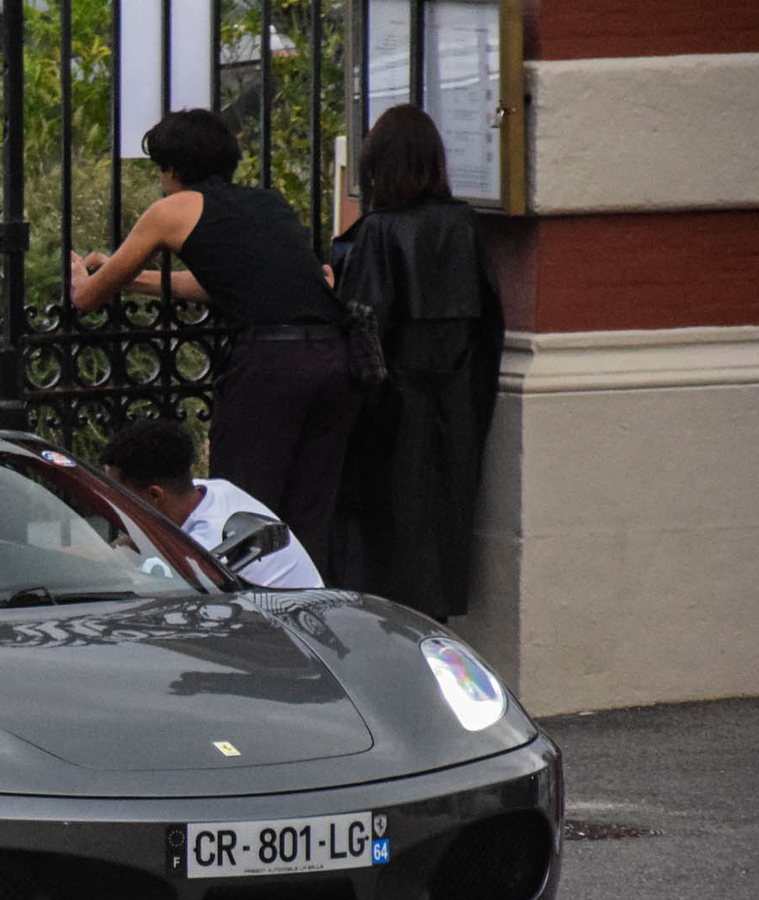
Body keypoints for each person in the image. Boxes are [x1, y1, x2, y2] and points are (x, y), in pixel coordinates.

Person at [70, 108, 357, 570]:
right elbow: (218, 285)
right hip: (332, 358)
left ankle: (235, 618)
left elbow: (86, 300)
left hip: (270, 365)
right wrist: (132, 278)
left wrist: (84, 278)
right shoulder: (268, 202)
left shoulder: (171, 209)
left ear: (172, 168)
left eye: (161, 170)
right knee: (309, 512)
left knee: (241, 508)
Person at [331, 105, 506, 620]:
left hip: (393, 410)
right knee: (443, 526)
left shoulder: (378, 234)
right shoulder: (465, 225)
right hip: (455, 400)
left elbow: (363, 329)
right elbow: (489, 323)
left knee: (390, 535)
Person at [100, 417, 320, 589]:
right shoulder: (210, 489)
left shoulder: (208, 551)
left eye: (117, 494)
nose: (110, 502)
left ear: (155, 496)